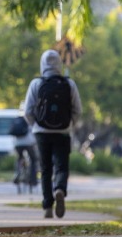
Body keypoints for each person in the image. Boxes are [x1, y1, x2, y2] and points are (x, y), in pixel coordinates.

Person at [23, 49, 82, 219]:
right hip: (63, 132)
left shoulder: (36, 84)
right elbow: (78, 110)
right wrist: (70, 125)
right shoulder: (69, 84)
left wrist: (36, 126)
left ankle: (47, 206)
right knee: (62, 166)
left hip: (42, 133)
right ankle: (60, 189)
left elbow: (27, 111)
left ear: (42, 64)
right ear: (59, 64)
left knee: (46, 168)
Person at [10, 116, 38, 188]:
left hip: (17, 143)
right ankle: (33, 179)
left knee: (19, 158)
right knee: (33, 159)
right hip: (28, 143)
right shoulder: (30, 119)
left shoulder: (17, 120)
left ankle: (17, 173)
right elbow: (34, 132)